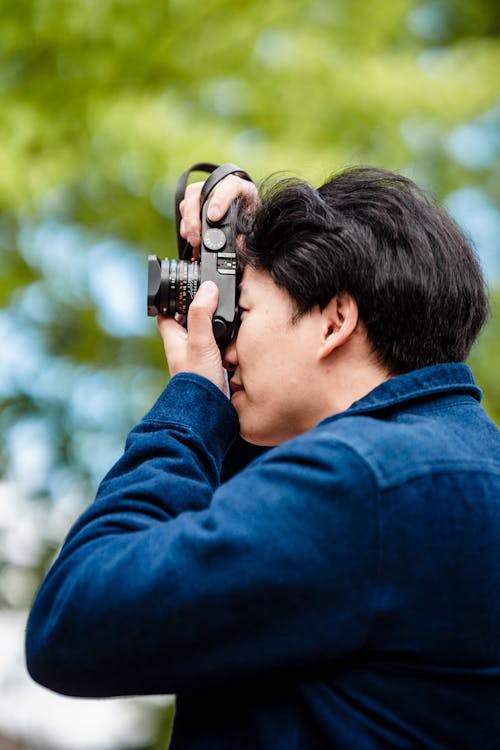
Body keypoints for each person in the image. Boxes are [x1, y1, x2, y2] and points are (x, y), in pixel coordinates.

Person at [26, 166, 500, 750]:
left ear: (335, 320)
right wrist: (233, 249)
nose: (223, 347)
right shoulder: (459, 467)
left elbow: (74, 622)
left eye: (239, 314)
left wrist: (193, 403)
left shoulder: (354, 484)